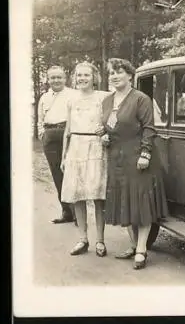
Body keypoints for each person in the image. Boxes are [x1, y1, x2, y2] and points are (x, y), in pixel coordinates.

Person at [101, 58, 169, 270]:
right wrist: (104, 136)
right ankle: (133, 245)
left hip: (138, 156)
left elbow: (149, 128)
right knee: (125, 201)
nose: (114, 76)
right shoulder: (107, 101)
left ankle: (141, 250)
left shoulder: (141, 99)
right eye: (111, 72)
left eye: (119, 72)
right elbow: (109, 127)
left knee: (141, 203)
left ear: (130, 75)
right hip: (116, 157)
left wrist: (146, 154)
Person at [60, 62, 111, 256]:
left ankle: (100, 241)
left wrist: (106, 130)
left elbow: (114, 120)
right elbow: (68, 129)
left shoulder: (104, 97)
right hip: (75, 148)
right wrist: (65, 155)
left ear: (94, 78)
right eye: (79, 75)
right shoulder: (71, 100)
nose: (82, 78)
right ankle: (83, 239)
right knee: (77, 195)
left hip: (96, 147)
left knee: (97, 197)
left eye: (86, 75)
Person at [37, 66, 76, 224]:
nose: (56, 80)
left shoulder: (73, 94)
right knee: (57, 174)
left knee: (71, 173)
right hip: (50, 136)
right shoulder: (44, 97)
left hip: (68, 134)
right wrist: (42, 133)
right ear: (48, 79)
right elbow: (40, 118)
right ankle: (66, 212)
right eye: (53, 78)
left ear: (64, 78)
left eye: (59, 77)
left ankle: (78, 214)